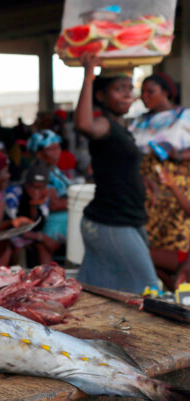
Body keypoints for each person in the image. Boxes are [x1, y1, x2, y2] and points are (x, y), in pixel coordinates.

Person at [73, 53, 159, 293]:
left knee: (99, 292)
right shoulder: (105, 125)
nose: (127, 94)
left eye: (129, 88)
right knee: (148, 289)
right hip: (110, 222)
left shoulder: (123, 128)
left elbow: (117, 166)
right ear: (101, 96)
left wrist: (142, 180)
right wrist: (88, 76)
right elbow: (84, 124)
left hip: (125, 219)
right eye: (119, 89)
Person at [129, 73, 190, 287]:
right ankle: (168, 287)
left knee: (177, 242)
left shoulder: (184, 116)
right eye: (142, 92)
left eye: (151, 91)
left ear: (166, 92)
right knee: (146, 246)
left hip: (176, 191)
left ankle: (179, 288)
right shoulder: (139, 121)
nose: (145, 96)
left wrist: (177, 154)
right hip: (147, 191)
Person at [4, 164, 59, 265]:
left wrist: (34, 206)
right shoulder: (13, 194)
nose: (36, 192)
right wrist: (41, 237)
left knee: (44, 248)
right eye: (33, 187)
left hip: (31, 236)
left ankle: (47, 273)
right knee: (16, 249)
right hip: (11, 235)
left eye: (40, 188)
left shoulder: (44, 197)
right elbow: (14, 227)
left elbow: (39, 224)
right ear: (26, 185)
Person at [28, 130, 70, 242]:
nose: (58, 152)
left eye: (58, 147)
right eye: (52, 149)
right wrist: (82, 202)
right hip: (54, 224)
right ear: (39, 153)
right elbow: (54, 205)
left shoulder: (53, 168)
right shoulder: (40, 173)